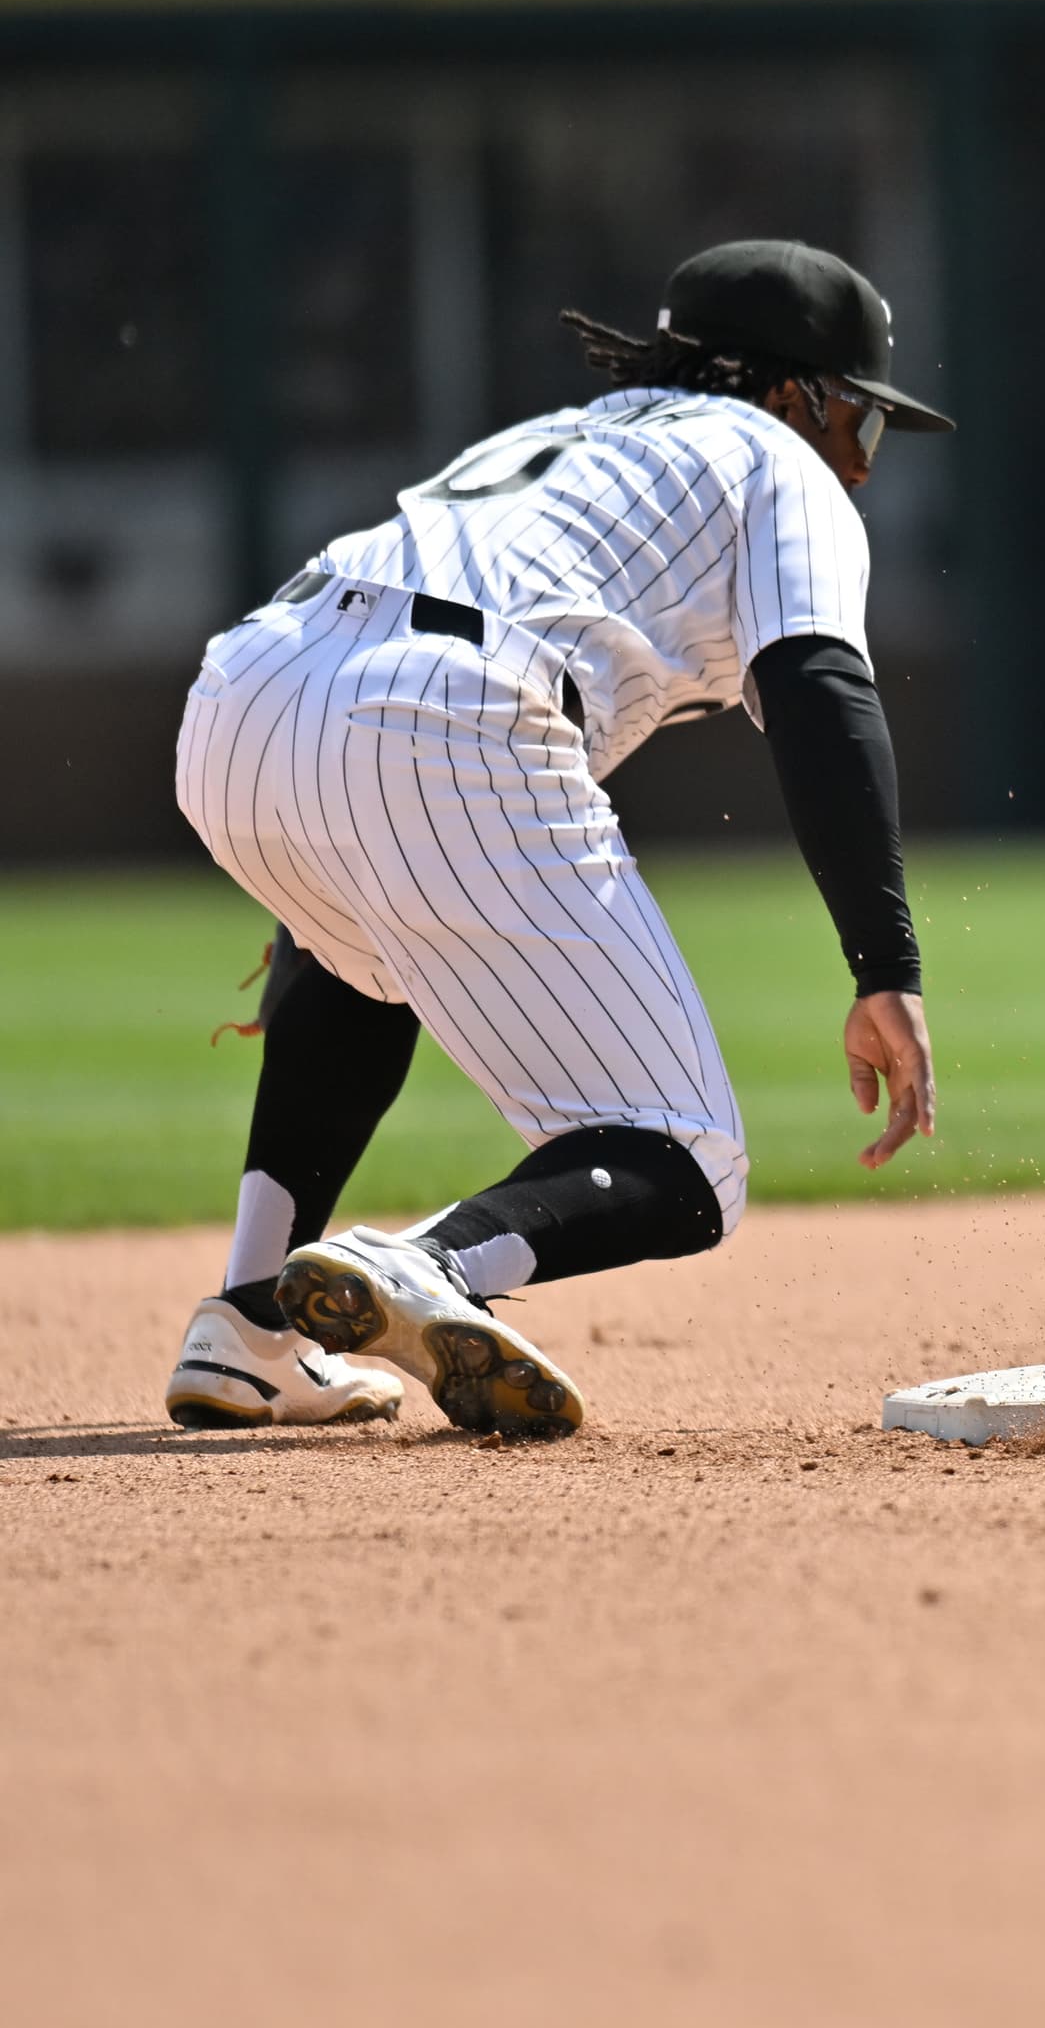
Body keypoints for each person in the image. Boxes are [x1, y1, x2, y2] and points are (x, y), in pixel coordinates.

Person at [162, 239, 949, 1439]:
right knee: (685, 1158)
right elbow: (820, 689)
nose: (860, 456)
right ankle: (427, 1265)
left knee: (365, 960)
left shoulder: (576, 438)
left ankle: (249, 1324)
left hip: (244, 692)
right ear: (795, 392)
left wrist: (319, 903)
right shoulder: (775, 458)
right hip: (443, 706)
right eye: (862, 419)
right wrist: (883, 964)